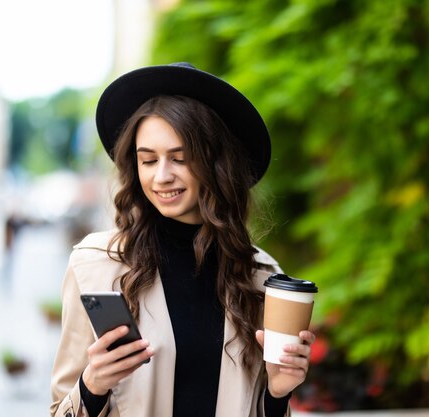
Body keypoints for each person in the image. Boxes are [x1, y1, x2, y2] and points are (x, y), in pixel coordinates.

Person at [50, 63, 316, 417]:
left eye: (180, 158)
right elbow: (58, 410)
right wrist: (93, 385)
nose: (161, 176)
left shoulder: (261, 278)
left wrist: (278, 394)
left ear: (216, 163)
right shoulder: (95, 265)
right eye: (148, 160)